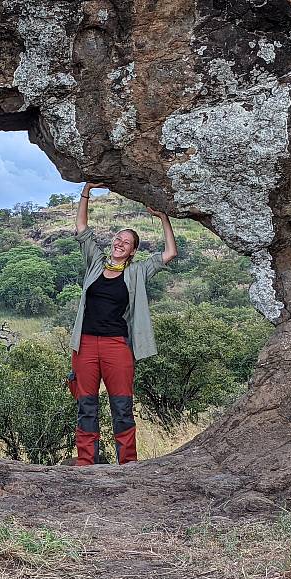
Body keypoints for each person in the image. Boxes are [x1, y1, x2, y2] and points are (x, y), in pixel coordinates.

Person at [69, 182, 177, 465]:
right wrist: (86, 191)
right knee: (86, 406)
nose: (119, 243)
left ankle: (128, 464)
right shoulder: (95, 263)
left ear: (132, 252)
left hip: (117, 346)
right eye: (118, 238)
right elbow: (81, 227)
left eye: (126, 242)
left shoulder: (138, 272)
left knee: (121, 406)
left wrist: (163, 218)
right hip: (85, 345)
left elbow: (170, 253)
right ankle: (85, 464)